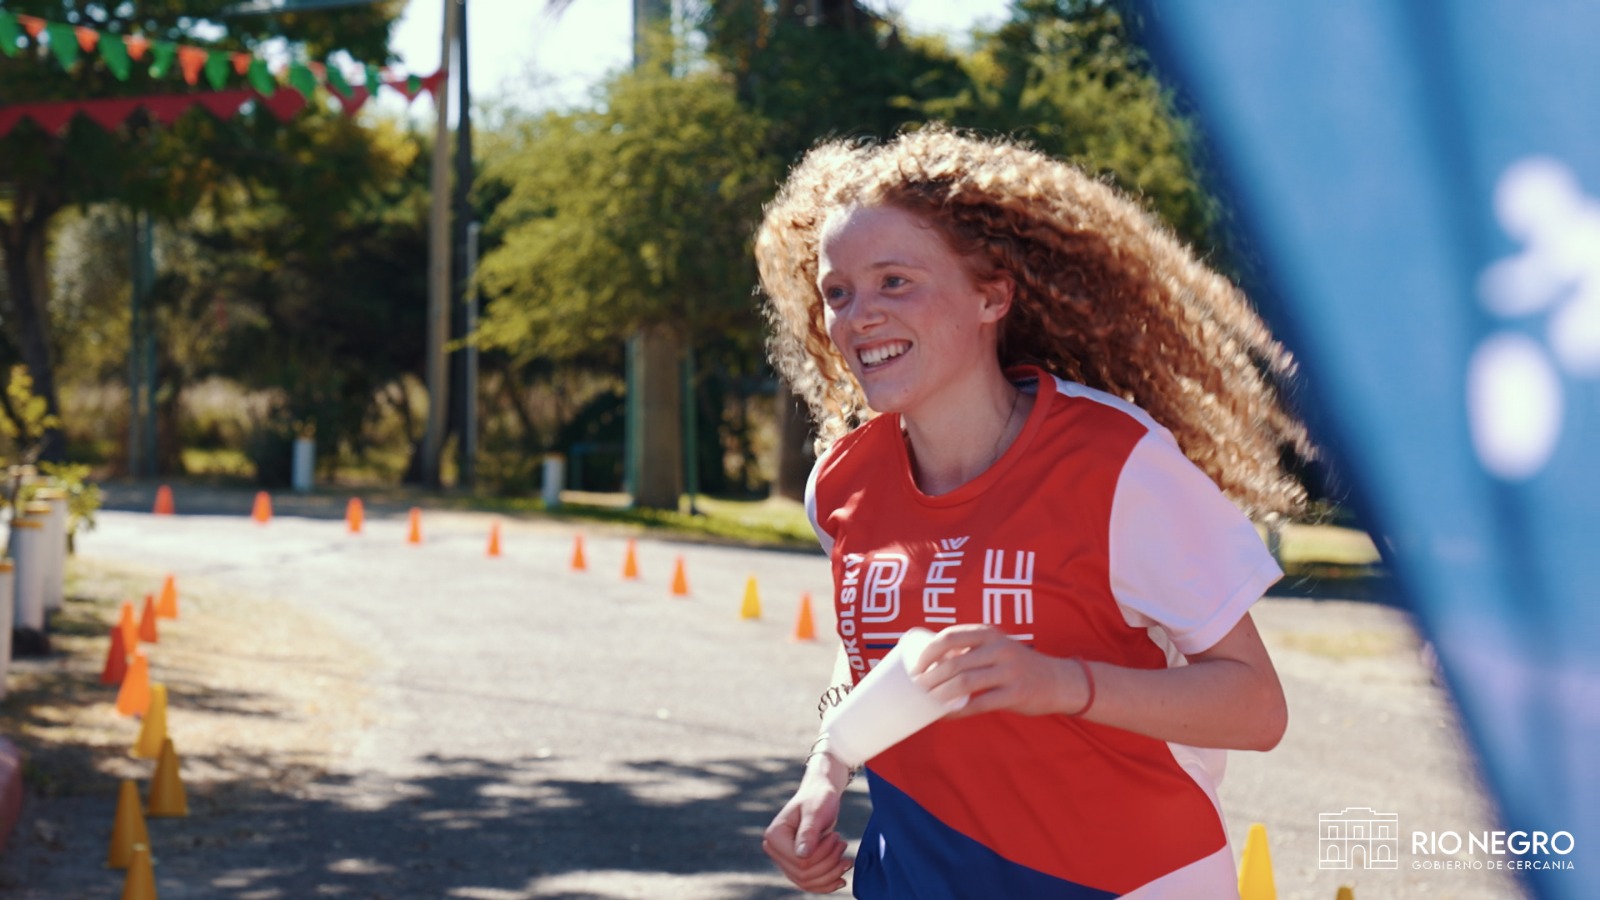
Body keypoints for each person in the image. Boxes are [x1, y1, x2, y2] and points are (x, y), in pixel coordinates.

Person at [754, 125, 1311, 898]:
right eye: (838, 293)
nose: (858, 317)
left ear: (991, 295)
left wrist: (1060, 682)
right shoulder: (841, 483)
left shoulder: (1116, 464)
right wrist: (829, 764)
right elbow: (869, 656)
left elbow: (1256, 707)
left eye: (895, 282)